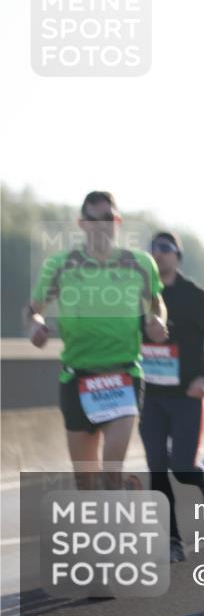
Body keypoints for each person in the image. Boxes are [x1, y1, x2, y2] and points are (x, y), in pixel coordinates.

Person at [25, 191, 168, 490]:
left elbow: (156, 303)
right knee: (86, 484)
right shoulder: (60, 265)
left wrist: (158, 321)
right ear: (82, 224)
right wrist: (35, 326)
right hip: (77, 377)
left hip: (123, 376)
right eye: (95, 219)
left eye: (109, 218)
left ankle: (120, 499)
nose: (103, 225)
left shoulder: (139, 263)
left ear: (117, 222)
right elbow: (33, 311)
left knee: (112, 470)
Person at [140, 231, 204, 563]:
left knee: (181, 468)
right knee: (156, 468)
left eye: (166, 249)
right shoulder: (139, 297)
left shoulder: (194, 296)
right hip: (150, 396)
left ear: (177, 256)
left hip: (187, 397)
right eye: (154, 249)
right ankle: (172, 541)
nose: (159, 254)